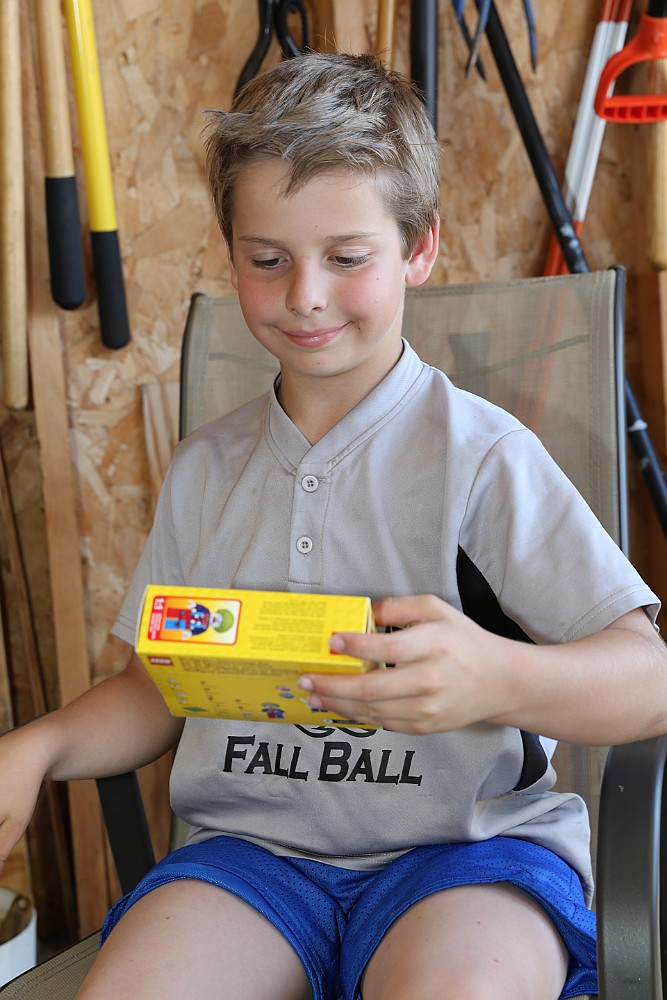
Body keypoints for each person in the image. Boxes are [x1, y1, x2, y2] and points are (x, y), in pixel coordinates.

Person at [0, 51, 665, 1000]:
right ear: (232, 252)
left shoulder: (485, 460)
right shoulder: (204, 471)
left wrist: (493, 677)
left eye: (347, 258)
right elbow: (161, 686)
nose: (304, 294)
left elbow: (648, 681)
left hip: (465, 857)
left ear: (418, 249)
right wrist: (35, 748)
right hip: (250, 862)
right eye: (267, 260)